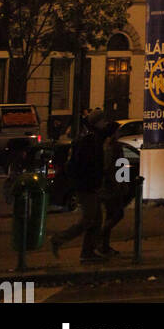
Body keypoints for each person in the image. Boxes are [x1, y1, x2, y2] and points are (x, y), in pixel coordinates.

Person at [51, 108, 107, 264]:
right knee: (88, 219)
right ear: (98, 122)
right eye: (103, 120)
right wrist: (93, 181)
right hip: (87, 186)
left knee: (96, 219)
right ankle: (59, 239)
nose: (106, 123)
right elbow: (89, 165)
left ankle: (88, 251)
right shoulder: (91, 140)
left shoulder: (92, 138)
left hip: (88, 185)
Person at [98, 118, 129, 257]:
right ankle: (100, 238)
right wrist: (123, 183)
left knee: (110, 214)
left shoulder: (104, 145)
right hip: (112, 186)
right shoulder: (115, 147)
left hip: (105, 185)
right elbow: (121, 165)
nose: (119, 133)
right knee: (117, 214)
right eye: (118, 131)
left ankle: (104, 246)